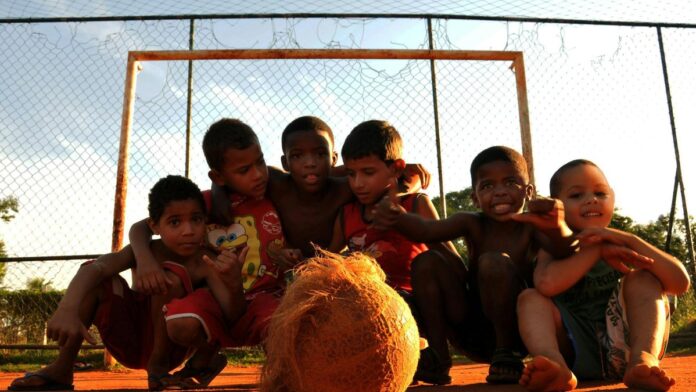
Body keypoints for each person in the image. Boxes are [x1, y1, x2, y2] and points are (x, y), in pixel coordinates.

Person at [8, 175, 245, 391]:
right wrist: (66, 309)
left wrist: (233, 282)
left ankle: (159, 369)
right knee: (99, 278)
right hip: (129, 339)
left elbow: (232, 315)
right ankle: (62, 368)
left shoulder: (206, 261)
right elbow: (96, 267)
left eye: (196, 219)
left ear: (205, 221)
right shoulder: (145, 250)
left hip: (173, 348)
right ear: (155, 226)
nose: (188, 231)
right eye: (175, 222)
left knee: (171, 277)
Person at [372, 145, 577, 385]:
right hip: (470, 329)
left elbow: (567, 249)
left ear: (528, 191)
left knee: (493, 262)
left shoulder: (532, 227)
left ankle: (506, 352)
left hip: (517, 334)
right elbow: (427, 231)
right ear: (475, 197)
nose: (499, 192)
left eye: (510, 183)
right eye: (488, 186)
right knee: (426, 261)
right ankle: (438, 356)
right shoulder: (472, 223)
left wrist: (558, 226)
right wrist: (397, 216)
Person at [128, 119, 288, 387]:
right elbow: (140, 228)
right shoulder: (201, 204)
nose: (258, 174)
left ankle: (283, 378)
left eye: (260, 162)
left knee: (282, 325)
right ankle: (205, 354)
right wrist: (145, 261)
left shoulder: (277, 192)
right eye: (244, 169)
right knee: (180, 322)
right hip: (218, 300)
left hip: (267, 297)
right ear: (219, 177)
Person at [517, 159, 690, 392]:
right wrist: (596, 249)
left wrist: (630, 240)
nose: (591, 199)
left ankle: (644, 359)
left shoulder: (624, 242)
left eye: (600, 193)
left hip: (627, 348)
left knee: (644, 278)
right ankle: (555, 368)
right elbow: (546, 284)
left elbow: (680, 283)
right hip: (574, 349)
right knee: (530, 298)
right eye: (577, 195)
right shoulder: (553, 247)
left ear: (613, 198)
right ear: (558, 207)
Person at [328, 119, 461, 295]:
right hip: (364, 303)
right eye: (351, 174)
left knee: (427, 262)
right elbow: (326, 261)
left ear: (396, 169)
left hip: (416, 306)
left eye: (368, 172)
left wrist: (412, 226)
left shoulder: (415, 204)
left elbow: (456, 267)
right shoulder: (347, 215)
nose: (357, 184)